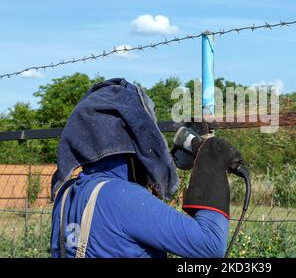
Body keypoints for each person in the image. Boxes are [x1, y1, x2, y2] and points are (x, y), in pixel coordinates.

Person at [50, 78, 243, 258]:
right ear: (135, 138)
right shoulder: (120, 197)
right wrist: (212, 160)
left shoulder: (66, 194)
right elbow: (211, 245)